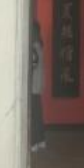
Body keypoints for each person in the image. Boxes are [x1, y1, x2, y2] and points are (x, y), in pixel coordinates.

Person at [30, 21, 46, 152]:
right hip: (38, 85)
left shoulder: (33, 48)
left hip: (33, 86)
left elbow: (32, 66)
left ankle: (34, 142)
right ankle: (41, 140)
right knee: (38, 114)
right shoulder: (39, 46)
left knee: (34, 115)